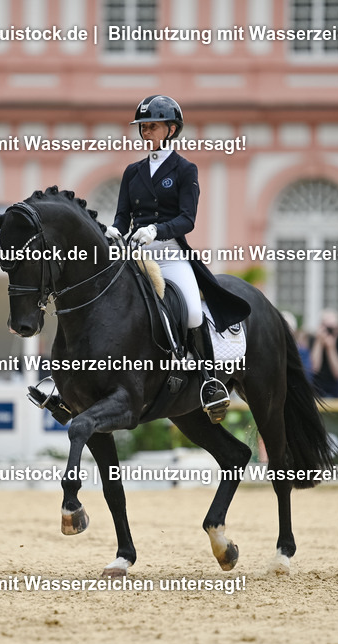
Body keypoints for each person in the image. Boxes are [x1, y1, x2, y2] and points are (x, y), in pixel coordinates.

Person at [108, 94, 250, 423]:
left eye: (152, 126)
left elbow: (188, 218)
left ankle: (208, 382)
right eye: (143, 126)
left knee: (191, 312)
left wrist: (156, 230)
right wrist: (115, 232)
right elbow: (122, 216)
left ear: (171, 129)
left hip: (170, 254)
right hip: (136, 255)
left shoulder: (186, 169)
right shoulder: (133, 171)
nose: (146, 132)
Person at [310, 309, 338, 398]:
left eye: (332, 328)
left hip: (335, 391)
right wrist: (319, 343)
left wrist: (331, 348)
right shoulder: (313, 340)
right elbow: (314, 368)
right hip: (316, 389)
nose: (329, 331)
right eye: (327, 327)